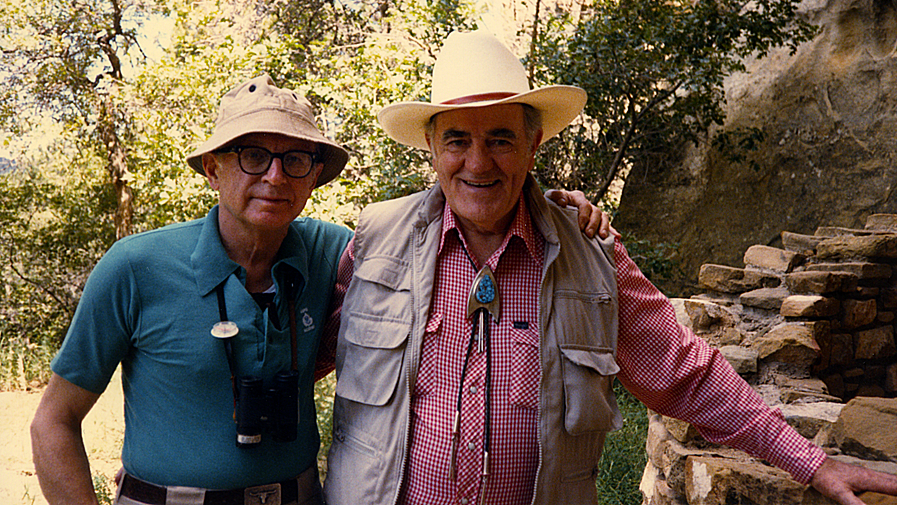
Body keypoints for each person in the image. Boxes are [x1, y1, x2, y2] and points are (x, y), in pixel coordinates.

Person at [318, 30, 897, 505]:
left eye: (500, 138)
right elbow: (302, 350)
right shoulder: (375, 241)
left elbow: (688, 374)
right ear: (431, 148)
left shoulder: (591, 258)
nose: (478, 161)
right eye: (457, 139)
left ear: (534, 144)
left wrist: (813, 463)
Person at [29, 74, 605, 505]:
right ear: (212, 167)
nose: (274, 176)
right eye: (251, 155)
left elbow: (450, 212)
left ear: (314, 175)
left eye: (295, 159)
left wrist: (557, 207)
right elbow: (53, 421)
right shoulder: (135, 268)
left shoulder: (341, 251)